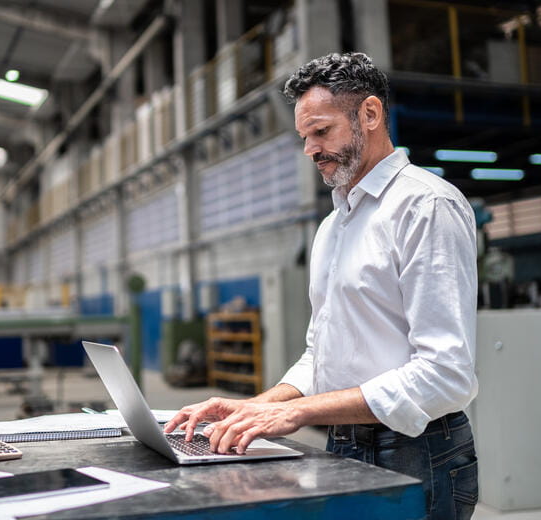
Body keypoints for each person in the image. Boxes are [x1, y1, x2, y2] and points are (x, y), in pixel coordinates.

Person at [164, 52, 479, 520]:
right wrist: (254, 408)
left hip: (416, 451)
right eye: (304, 137)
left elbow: (444, 374)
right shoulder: (336, 224)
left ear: (369, 115)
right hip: (343, 439)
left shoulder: (425, 207)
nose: (310, 149)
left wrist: (297, 414)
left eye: (321, 131)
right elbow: (322, 355)